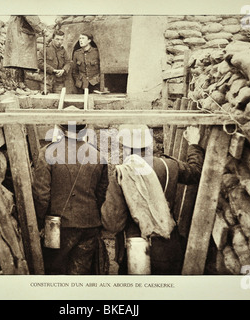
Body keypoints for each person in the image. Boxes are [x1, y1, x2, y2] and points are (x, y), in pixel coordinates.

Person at [101, 124, 205, 275]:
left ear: (124, 148)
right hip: (168, 247)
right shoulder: (169, 165)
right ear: (150, 145)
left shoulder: (122, 174)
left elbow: (112, 223)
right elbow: (196, 173)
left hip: (135, 250)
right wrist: (193, 144)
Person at [32, 106, 109, 275]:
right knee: (80, 274)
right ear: (86, 128)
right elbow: (102, 194)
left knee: (55, 273)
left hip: (58, 227)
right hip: (89, 225)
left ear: (60, 128)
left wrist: (40, 222)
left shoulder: (47, 153)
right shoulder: (99, 156)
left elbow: (41, 195)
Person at [3, 15, 51, 88]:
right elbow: (30, 16)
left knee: (20, 61)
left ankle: (21, 86)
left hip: (19, 29)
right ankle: (18, 86)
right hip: (20, 33)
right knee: (20, 60)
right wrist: (42, 29)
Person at [37, 29, 71, 93]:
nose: (59, 41)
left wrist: (63, 70)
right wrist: (53, 70)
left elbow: (68, 62)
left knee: (59, 99)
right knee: (46, 99)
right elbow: (40, 63)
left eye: (61, 39)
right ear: (52, 39)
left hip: (59, 81)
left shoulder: (63, 51)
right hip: (46, 80)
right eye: (57, 39)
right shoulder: (45, 49)